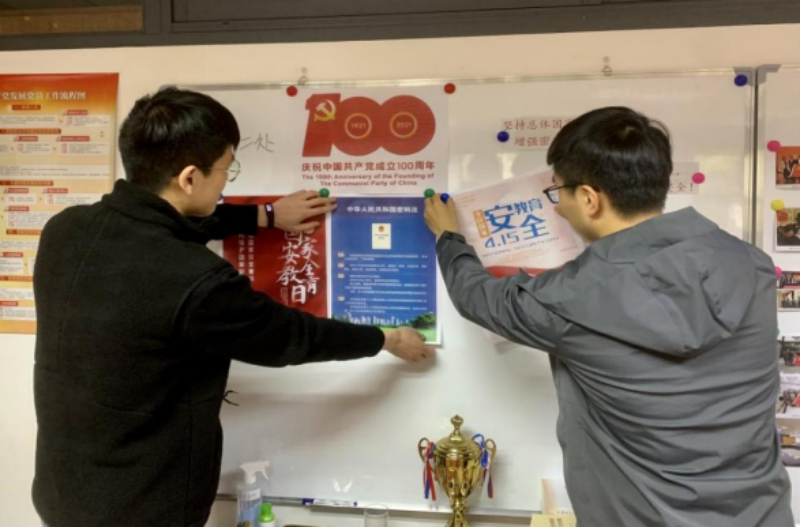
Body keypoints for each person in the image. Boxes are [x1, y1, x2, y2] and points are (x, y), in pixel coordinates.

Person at [32, 87, 434, 527]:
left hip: (61, 491)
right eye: (226, 169)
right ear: (189, 177)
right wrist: (385, 338)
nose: (227, 181)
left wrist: (265, 215)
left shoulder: (65, 231)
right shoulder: (196, 280)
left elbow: (163, 225)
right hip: (141, 506)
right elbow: (291, 336)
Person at [424, 106, 793, 526]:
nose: (557, 207)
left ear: (589, 198)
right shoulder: (753, 265)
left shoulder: (572, 297)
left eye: (557, 192)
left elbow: (478, 297)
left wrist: (449, 236)